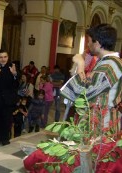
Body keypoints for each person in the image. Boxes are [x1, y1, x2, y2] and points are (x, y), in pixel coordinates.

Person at [24, 24, 122, 173]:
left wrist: (81, 64)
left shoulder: (110, 65)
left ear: (98, 43)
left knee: (91, 165)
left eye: (90, 41)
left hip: (102, 125)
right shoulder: (109, 63)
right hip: (101, 121)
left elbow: (84, 92)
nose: (88, 44)